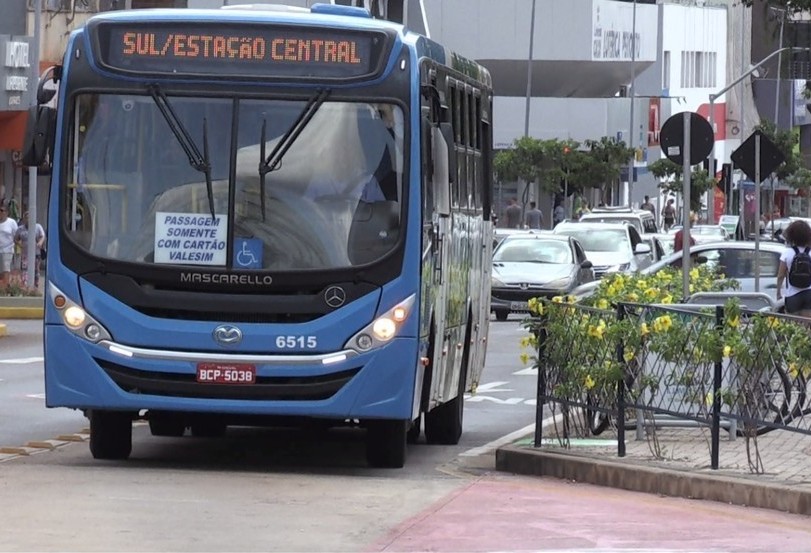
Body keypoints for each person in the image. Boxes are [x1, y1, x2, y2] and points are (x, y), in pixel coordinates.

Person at [776, 219, 811, 316]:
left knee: (792, 326)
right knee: (807, 327)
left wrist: (778, 292)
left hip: (792, 295)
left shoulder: (787, 253)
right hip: (809, 294)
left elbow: (780, 275)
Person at [14, 211, 45, 289]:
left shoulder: (38, 226)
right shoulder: (20, 228)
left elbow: (42, 236)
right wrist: (20, 245)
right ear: (24, 219)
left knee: (36, 270)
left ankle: (35, 286)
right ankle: (25, 285)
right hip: (25, 253)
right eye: (26, 218)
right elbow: (16, 239)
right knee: (25, 270)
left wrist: (40, 242)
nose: (28, 219)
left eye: (30, 218)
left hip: (36, 253)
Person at [0, 204, 18, 290]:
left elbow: (16, 236)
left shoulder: (11, 222)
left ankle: (5, 288)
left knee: (5, 269)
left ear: (6, 212)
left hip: (7, 250)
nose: (0, 212)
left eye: (2, 211)